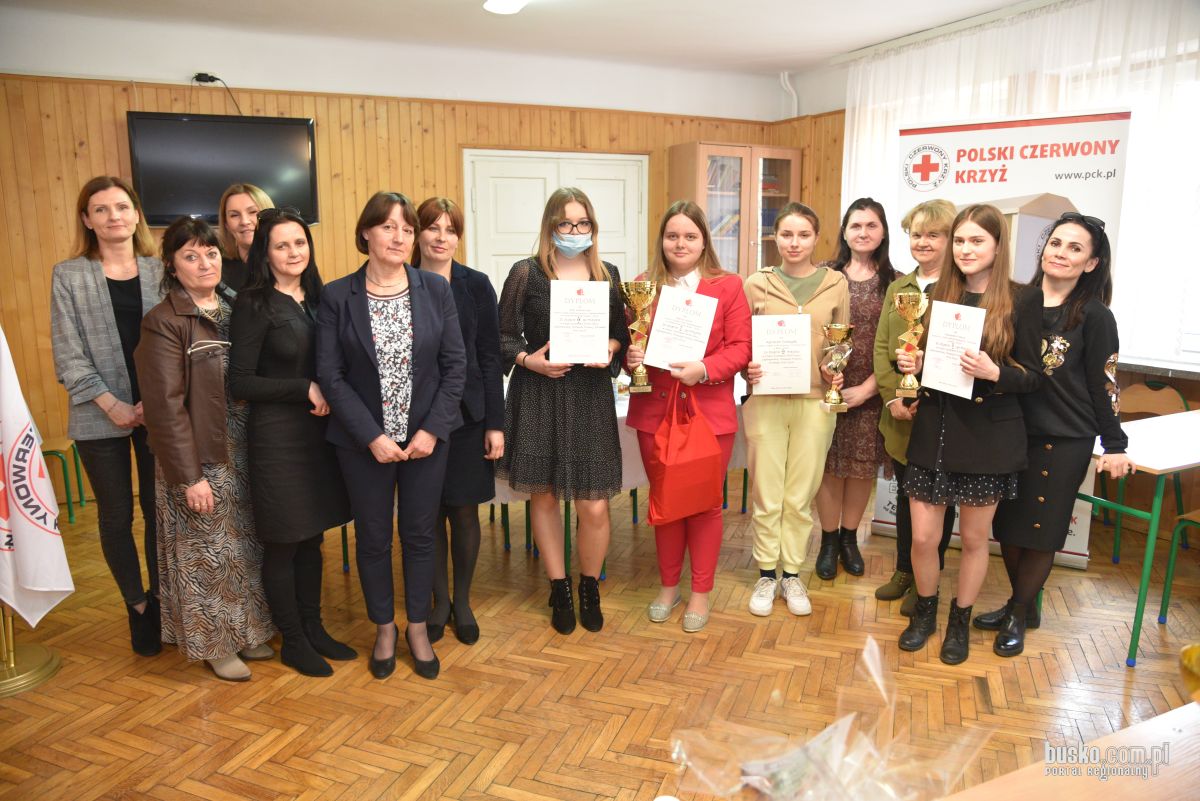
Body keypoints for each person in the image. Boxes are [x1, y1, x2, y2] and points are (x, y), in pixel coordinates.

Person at [316, 191, 466, 680]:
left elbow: (454, 366)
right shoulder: (338, 295)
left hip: (426, 441)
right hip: (364, 445)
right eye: (388, 227)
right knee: (374, 537)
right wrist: (371, 436)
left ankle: (417, 626)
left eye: (406, 228)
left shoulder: (434, 289)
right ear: (366, 232)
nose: (399, 236)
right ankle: (384, 627)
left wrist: (432, 430)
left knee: (421, 535)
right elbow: (331, 374)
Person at [895, 204, 1042, 665]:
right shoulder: (938, 294)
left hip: (986, 439)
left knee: (975, 541)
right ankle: (925, 614)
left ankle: (959, 621)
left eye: (977, 240)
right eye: (959, 240)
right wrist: (914, 365)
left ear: (998, 246)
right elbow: (932, 364)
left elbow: (1033, 378)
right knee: (923, 538)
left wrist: (995, 372)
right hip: (935, 431)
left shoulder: (1023, 300)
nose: (965, 249)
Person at [981, 212, 1131, 656]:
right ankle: (1023, 605)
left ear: (1091, 263)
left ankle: (1018, 612)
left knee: (1041, 531)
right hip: (1010, 430)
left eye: (1075, 248)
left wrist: (1115, 444)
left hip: (1064, 439)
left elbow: (1105, 384)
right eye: (1056, 243)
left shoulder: (1096, 317)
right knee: (1007, 527)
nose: (1061, 253)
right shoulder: (1015, 301)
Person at [134, 217, 275, 681]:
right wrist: (189, 476)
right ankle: (216, 645)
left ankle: (249, 631)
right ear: (172, 266)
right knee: (206, 554)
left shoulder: (236, 305)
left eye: (210, 253)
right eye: (190, 256)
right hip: (197, 454)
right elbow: (164, 407)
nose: (204, 263)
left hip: (244, 448)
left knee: (244, 548)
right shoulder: (163, 321)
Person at [229, 208, 355, 677]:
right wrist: (304, 388)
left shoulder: (321, 297)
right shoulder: (254, 303)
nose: (293, 252)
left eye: (299, 242)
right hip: (277, 439)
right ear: (265, 252)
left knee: (312, 538)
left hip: (320, 437)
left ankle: (314, 628)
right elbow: (240, 382)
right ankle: (293, 641)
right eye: (281, 245)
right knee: (284, 542)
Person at [497, 187, 627, 635]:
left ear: (593, 227)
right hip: (539, 394)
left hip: (590, 396)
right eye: (566, 223)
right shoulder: (526, 272)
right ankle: (559, 587)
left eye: (583, 223)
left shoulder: (608, 274)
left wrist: (610, 348)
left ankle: (589, 584)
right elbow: (502, 336)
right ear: (551, 226)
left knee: (594, 507)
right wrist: (528, 360)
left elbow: (621, 334)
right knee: (546, 497)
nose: (575, 231)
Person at [50, 176, 164, 657]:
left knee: (160, 510)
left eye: (122, 206)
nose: (113, 216)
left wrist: (155, 401)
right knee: (116, 514)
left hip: (159, 413)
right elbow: (68, 354)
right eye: (101, 209)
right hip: (99, 415)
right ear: (87, 220)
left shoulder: (161, 270)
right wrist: (111, 403)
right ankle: (137, 606)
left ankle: (164, 602)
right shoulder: (69, 275)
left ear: (136, 215)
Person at [626, 200, 751, 632]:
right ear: (662, 240)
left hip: (708, 413)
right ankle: (668, 588)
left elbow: (741, 348)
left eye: (690, 236)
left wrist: (705, 368)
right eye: (672, 235)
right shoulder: (642, 286)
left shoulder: (728, 286)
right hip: (655, 411)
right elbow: (631, 349)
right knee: (665, 503)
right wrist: (631, 357)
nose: (680, 243)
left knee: (704, 506)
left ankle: (700, 591)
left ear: (703, 241)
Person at [741, 203, 849, 618]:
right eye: (786, 234)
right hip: (766, 401)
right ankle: (767, 574)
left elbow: (842, 339)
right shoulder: (756, 284)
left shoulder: (835, 283)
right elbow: (741, 343)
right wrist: (747, 366)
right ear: (775, 237)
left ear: (816, 238)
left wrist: (834, 366)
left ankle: (792, 574)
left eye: (803, 235)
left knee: (800, 495)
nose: (794, 243)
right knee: (767, 493)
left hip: (814, 402)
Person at [412, 197, 504, 646]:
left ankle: (462, 601)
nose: (441, 237)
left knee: (465, 512)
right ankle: (439, 602)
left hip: (468, 416)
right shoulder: (397, 281)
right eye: (433, 227)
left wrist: (495, 423)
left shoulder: (476, 285)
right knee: (427, 514)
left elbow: (489, 356)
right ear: (417, 233)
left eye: (450, 230)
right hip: (415, 418)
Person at [872, 200, 959, 616]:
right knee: (907, 496)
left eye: (933, 235)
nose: (923, 242)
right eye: (916, 234)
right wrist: (894, 397)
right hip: (899, 415)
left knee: (938, 504)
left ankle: (929, 580)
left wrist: (923, 399)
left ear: (951, 239)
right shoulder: (899, 288)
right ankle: (904, 570)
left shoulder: (961, 292)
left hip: (941, 414)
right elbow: (882, 348)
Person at [813, 198, 897, 581]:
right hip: (826, 386)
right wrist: (822, 373)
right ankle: (828, 541)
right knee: (829, 467)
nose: (863, 232)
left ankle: (850, 539)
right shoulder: (824, 275)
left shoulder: (896, 283)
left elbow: (899, 344)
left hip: (870, 391)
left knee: (861, 469)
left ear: (883, 232)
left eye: (871, 225)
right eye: (856, 225)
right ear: (845, 232)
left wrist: (868, 389)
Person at [216, 183, 274, 296]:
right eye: (234, 215)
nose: (244, 221)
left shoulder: (291, 262)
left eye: (253, 212)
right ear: (226, 224)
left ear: (270, 216)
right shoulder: (217, 270)